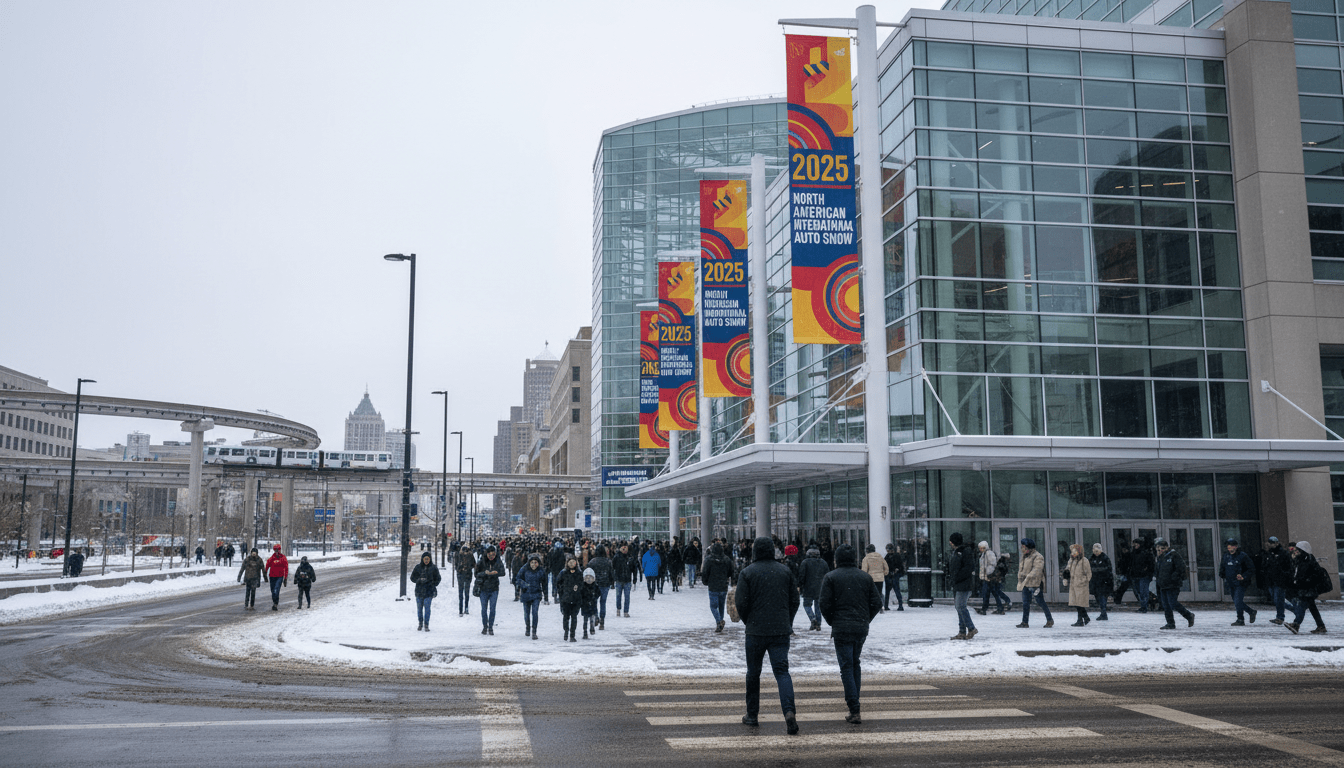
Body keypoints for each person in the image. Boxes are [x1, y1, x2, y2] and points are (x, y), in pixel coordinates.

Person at [735, 537, 801, 736]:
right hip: (780, 630)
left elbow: (741, 603)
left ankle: (752, 715)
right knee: (782, 672)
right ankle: (789, 712)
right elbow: (795, 600)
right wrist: (787, 620)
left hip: (756, 630)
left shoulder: (747, 572)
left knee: (753, 673)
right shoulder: (784, 571)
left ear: (755, 551)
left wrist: (750, 621)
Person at [818, 543, 882, 724]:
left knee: (846, 666)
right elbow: (877, 603)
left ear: (837, 560)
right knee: (855, 664)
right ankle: (855, 704)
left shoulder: (831, 577)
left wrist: (834, 621)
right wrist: (864, 619)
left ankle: (854, 708)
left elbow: (824, 604)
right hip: (860, 627)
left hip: (842, 627)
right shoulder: (865, 577)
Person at [1286, 540, 1330, 635]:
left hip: (1309, 589)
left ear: (1303, 550)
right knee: (1311, 607)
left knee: (1303, 606)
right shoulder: (1301, 559)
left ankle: (1296, 624)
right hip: (1306, 588)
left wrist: (1305, 581)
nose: (1295, 551)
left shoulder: (1308, 560)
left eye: (1297, 549)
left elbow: (1313, 575)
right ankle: (1320, 626)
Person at [1154, 538, 1195, 630]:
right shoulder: (1159, 558)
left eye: (1162, 549)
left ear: (1167, 547)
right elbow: (1158, 571)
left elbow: (1180, 568)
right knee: (1166, 605)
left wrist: (1174, 577)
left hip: (1173, 584)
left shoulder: (1174, 556)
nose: (1160, 551)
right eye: (1158, 549)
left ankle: (1188, 615)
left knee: (1172, 603)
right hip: (1163, 584)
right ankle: (1170, 623)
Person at [1016, 538, 1053, 629]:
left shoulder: (1038, 556)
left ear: (1029, 547)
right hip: (1025, 583)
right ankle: (1025, 622)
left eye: (1023, 547)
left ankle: (1049, 620)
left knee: (1040, 602)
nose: (1022, 548)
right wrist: (1020, 576)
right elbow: (1022, 568)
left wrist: (1027, 576)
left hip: (1035, 583)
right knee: (1025, 603)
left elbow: (1037, 569)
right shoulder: (1024, 556)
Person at [1221, 538, 1258, 626]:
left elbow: (1251, 568)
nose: (1230, 549)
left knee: (1237, 600)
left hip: (1241, 583)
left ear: (1236, 547)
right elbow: (1222, 567)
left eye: (1232, 547)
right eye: (1228, 547)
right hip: (1230, 582)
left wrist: (1243, 576)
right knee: (1237, 601)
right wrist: (1222, 575)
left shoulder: (1243, 556)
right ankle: (1251, 611)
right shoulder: (1226, 556)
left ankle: (1240, 619)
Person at [948, 533, 977, 640]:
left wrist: (957, 577)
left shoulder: (964, 551)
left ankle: (971, 628)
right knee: (959, 607)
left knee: (960, 606)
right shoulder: (957, 552)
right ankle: (962, 631)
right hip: (958, 583)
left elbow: (968, 568)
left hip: (964, 583)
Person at [702, 541, 736, 632]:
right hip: (723, 586)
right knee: (721, 606)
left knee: (713, 606)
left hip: (713, 586)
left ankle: (719, 621)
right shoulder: (727, 559)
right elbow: (731, 571)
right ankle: (720, 622)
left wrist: (705, 581)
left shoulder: (709, 559)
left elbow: (705, 572)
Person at [797, 546, 829, 631]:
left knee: (807, 605)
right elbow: (827, 575)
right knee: (818, 606)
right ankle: (818, 624)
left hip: (808, 587)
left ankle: (812, 619)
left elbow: (801, 576)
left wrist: (800, 585)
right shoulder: (823, 562)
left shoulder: (805, 562)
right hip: (820, 588)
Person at [1263, 537, 1293, 625]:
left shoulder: (1282, 553)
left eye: (1272, 543)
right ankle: (1293, 610)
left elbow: (1288, 567)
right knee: (1277, 599)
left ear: (1276, 543)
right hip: (1271, 580)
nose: (1270, 544)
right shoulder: (1269, 553)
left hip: (1279, 580)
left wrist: (1284, 575)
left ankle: (1280, 617)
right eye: (1270, 543)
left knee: (1278, 599)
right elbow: (1267, 566)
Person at [515, 553, 545, 639]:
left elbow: (544, 582)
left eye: (536, 562)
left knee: (535, 612)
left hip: (536, 594)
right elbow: (518, 578)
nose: (534, 564)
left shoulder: (541, 570)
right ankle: (527, 627)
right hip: (526, 594)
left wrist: (546, 595)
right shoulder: (524, 569)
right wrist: (524, 585)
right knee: (526, 613)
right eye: (532, 562)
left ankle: (534, 631)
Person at [475, 545, 504, 635]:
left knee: (492, 609)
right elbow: (476, 574)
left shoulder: (498, 561)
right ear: (486, 554)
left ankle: (490, 627)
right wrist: (485, 573)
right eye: (489, 554)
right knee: (484, 609)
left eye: (493, 554)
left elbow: (503, 572)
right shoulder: (481, 562)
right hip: (483, 588)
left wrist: (496, 573)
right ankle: (485, 626)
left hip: (494, 588)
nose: (491, 556)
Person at [976, 541, 1008, 615]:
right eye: (980, 548)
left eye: (982, 548)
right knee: (994, 593)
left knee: (987, 593)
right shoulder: (984, 554)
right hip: (988, 577)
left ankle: (985, 609)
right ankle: (999, 609)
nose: (981, 549)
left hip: (989, 577)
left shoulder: (988, 553)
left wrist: (988, 573)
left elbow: (992, 564)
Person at [411, 552, 440, 631]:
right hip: (419, 591)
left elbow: (438, 578)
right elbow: (412, 578)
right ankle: (420, 623)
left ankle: (426, 624)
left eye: (428, 559)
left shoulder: (433, 568)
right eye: (425, 559)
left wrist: (432, 583)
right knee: (419, 609)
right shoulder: (418, 567)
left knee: (427, 608)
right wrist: (419, 580)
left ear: (430, 559)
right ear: (422, 559)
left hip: (429, 592)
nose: (426, 560)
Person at [1065, 543, 1093, 627]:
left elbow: (1088, 574)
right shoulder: (1072, 560)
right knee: (1077, 603)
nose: (1073, 553)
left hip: (1081, 586)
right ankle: (1085, 618)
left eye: (1075, 551)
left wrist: (1082, 581)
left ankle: (1080, 620)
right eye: (1072, 552)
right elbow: (1067, 570)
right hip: (1073, 585)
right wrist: (1065, 577)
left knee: (1079, 604)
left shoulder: (1084, 561)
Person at [557, 556, 584, 642]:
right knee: (566, 616)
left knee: (574, 617)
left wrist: (578, 587)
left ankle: (572, 634)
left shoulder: (579, 573)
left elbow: (582, 584)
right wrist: (562, 591)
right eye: (570, 562)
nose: (572, 564)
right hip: (566, 598)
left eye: (573, 562)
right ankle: (566, 631)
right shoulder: (563, 573)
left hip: (576, 598)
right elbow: (558, 583)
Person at [1128, 539, 1156, 613]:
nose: (1135, 545)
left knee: (1143, 591)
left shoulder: (1146, 553)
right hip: (1135, 575)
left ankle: (1144, 607)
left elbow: (1151, 565)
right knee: (1139, 591)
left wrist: (1147, 571)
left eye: (1136, 544)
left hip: (1144, 575)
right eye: (1134, 544)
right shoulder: (1133, 553)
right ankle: (1147, 604)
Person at [1088, 543, 1113, 620]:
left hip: (1103, 581)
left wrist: (1096, 570)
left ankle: (1103, 612)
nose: (1096, 552)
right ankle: (1103, 612)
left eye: (1097, 551)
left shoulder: (1105, 558)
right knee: (1098, 597)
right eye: (1095, 551)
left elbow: (1108, 569)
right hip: (1095, 581)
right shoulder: (1091, 559)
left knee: (1102, 596)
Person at [612, 543, 634, 618]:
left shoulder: (629, 557)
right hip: (619, 579)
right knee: (618, 596)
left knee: (627, 596)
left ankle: (626, 611)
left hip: (627, 579)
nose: (624, 550)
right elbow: (613, 567)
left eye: (626, 548)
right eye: (623, 548)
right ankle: (618, 609)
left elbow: (633, 568)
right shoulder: (617, 557)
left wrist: (634, 578)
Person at [264, 545, 289, 612]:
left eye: (278, 550)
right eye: (276, 550)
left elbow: (286, 568)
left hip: (279, 577)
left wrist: (285, 578)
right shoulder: (272, 558)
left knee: (276, 589)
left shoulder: (283, 558)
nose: (277, 552)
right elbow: (267, 565)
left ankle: (275, 604)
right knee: (273, 591)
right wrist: (265, 574)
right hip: (272, 576)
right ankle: (274, 601)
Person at [882, 543, 906, 612]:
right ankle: (899, 605)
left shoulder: (888, 557)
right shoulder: (895, 556)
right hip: (893, 576)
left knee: (889, 591)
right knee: (896, 590)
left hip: (891, 576)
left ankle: (887, 605)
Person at [581, 567, 601, 639]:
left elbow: (598, 593)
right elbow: (580, 594)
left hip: (592, 603)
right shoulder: (583, 586)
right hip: (585, 604)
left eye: (590, 578)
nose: (589, 579)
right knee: (585, 619)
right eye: (587, 578)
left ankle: (592, 627)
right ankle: (585, 632)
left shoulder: (595, 586)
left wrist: (594, 597)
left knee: (592, 617)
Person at [456, 547, 475, 617]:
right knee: (464, 592)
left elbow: (473, 565)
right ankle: (463, 609)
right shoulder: (468, 556)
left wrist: (466, 567)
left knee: (463, 592)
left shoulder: (462, 556)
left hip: (465, 575)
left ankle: (463, 609)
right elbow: (456, 565)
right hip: (464, 575)